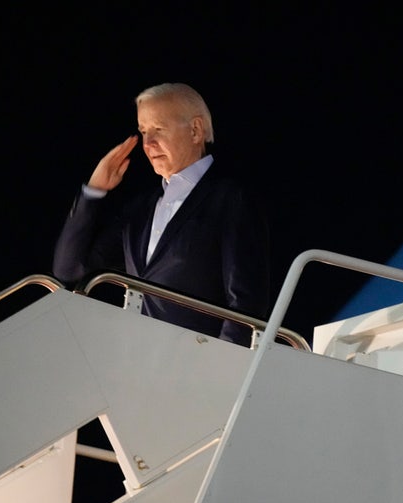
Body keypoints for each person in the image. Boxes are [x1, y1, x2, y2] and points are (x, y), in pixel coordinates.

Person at [53, 82, 270, 346]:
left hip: (200, 366)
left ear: (195, 130)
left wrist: (220, 367)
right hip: (137, 360)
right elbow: (70, 268)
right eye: (143, 131)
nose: (148, 143)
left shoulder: (230, 199)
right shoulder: (140, 210)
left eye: (158, 129)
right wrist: (93, 192)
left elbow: (245, 304)